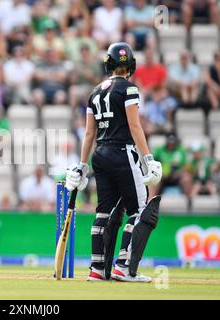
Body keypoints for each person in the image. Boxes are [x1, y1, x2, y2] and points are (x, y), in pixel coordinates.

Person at [65, 42, 162, 282]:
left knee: (103, 212)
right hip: (122, 152)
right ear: (131, 66)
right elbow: (134, 125)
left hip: (100, 155)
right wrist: (148, 157)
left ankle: (97, 269)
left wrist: (82, 165)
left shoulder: (94, 92)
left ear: (107, 64)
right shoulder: (129, 89)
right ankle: (124, 267)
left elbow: (89, 134)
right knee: (139, 210)